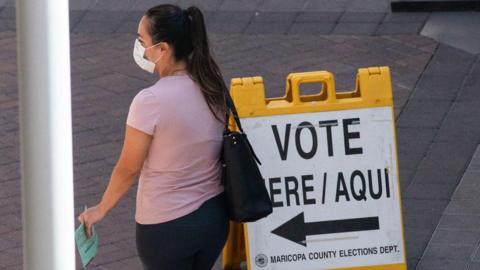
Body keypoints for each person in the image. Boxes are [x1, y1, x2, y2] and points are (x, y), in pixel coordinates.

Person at [77, 4, 230, 270]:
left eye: (142, 40)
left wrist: (100, 209)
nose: (138, 47)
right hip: (213, 219)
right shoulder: (213, 87)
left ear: (163, 49)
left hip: (166, 227)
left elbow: (128, 168)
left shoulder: (150, 101)